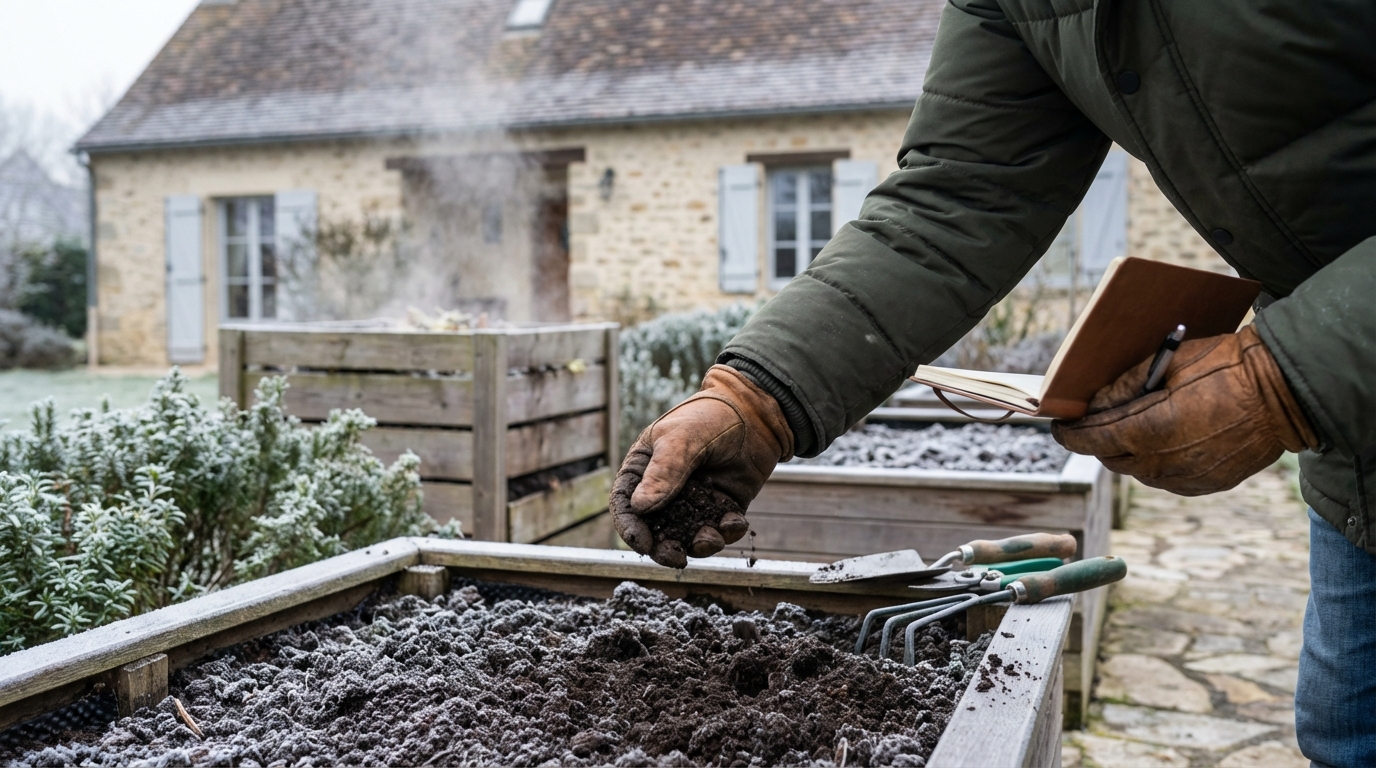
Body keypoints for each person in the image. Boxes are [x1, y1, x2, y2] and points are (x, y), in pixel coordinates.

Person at [609, 0, 1375, 763]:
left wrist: (1290, 373)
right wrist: (757, 396)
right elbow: (960, 193)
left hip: (1344, 379)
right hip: (1361, 447)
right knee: (1348, 738)